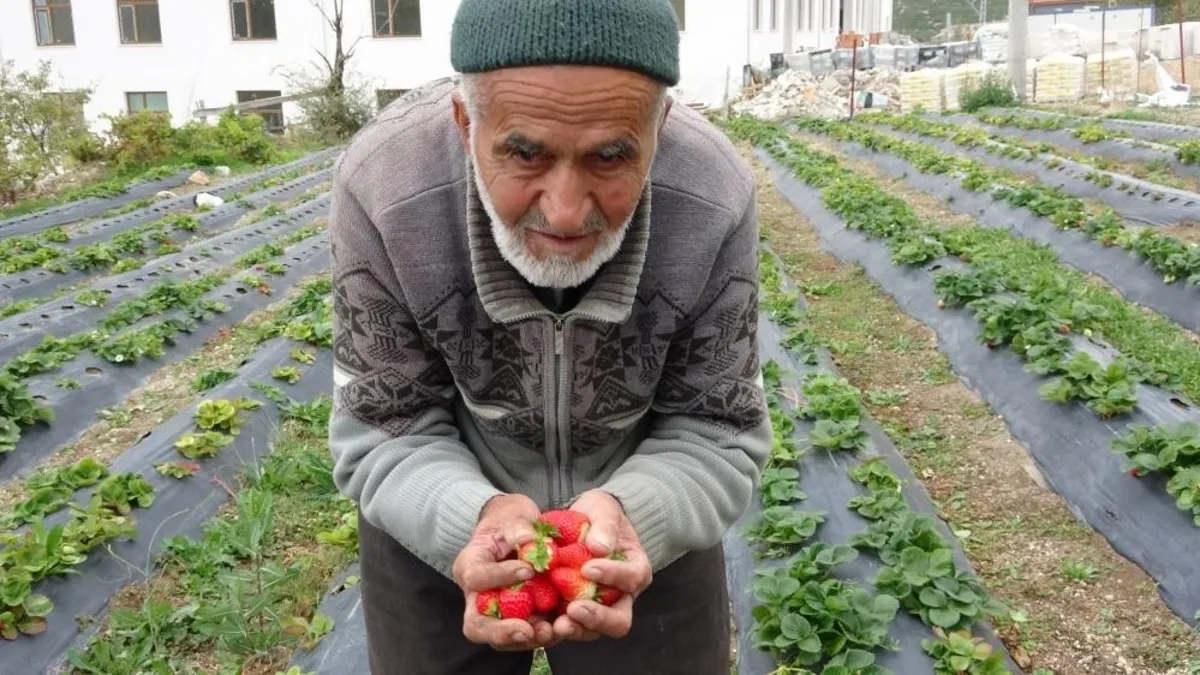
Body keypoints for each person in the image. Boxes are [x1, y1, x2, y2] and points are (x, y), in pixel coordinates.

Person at [327, 0, 771, 672]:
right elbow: (386, 422)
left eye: (611, 156)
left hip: (642, 516)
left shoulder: (713, 194)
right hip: (437, 507)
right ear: (465, 122)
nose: (565, 211)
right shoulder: (384, 186)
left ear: (659, 128)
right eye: (524, 153)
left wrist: (634, 516)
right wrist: (470, 518)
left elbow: (717, 423)